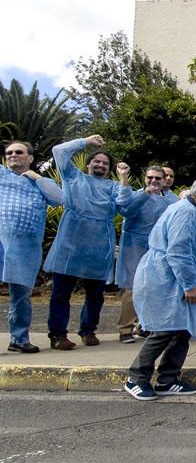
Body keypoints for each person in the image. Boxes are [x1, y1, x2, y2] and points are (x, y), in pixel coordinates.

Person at [123, 176, 196, 400]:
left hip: (180, 278)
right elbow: (178, 251)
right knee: (164, 329)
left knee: (181, 330)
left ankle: (168, 378)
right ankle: (136, 377)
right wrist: (190, 285)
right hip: (167, 279)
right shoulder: (185, 213)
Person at [44, 135, 119, 350]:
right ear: (88, 164)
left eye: (105, 163)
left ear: (109, 169)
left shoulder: (114, 187)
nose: (101, 165)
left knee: (95, 295)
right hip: (71, 241)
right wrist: (85, 142)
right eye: (97, 161)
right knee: (61, 293)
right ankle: (57, 335)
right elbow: (59, 151)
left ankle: (88, 330)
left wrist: (123, 180)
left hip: (98, 245)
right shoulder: (72, 177)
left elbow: (126, 203)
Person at [1, 141, 64, 354]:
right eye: (9, 152)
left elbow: (59, 199)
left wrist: (37, 177)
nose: (13, 155)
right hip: (1, 243)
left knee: (21, 296)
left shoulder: (39, 183)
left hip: (25, 249)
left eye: (19, 152)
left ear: (30, 158)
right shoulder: (1, 176)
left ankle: (19, 340)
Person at [114, 163, 172, 343]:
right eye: (150, 178)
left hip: (157, 248)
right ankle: (125, 329)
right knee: (132, 288)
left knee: (154, 287)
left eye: (157, 178)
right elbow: (125, 211)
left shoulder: (170, 201)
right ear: (145, 178)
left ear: (164, 181)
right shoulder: (135, 195)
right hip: (134, 246)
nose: (153, 181)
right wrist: (145, 194)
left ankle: (145, 325)